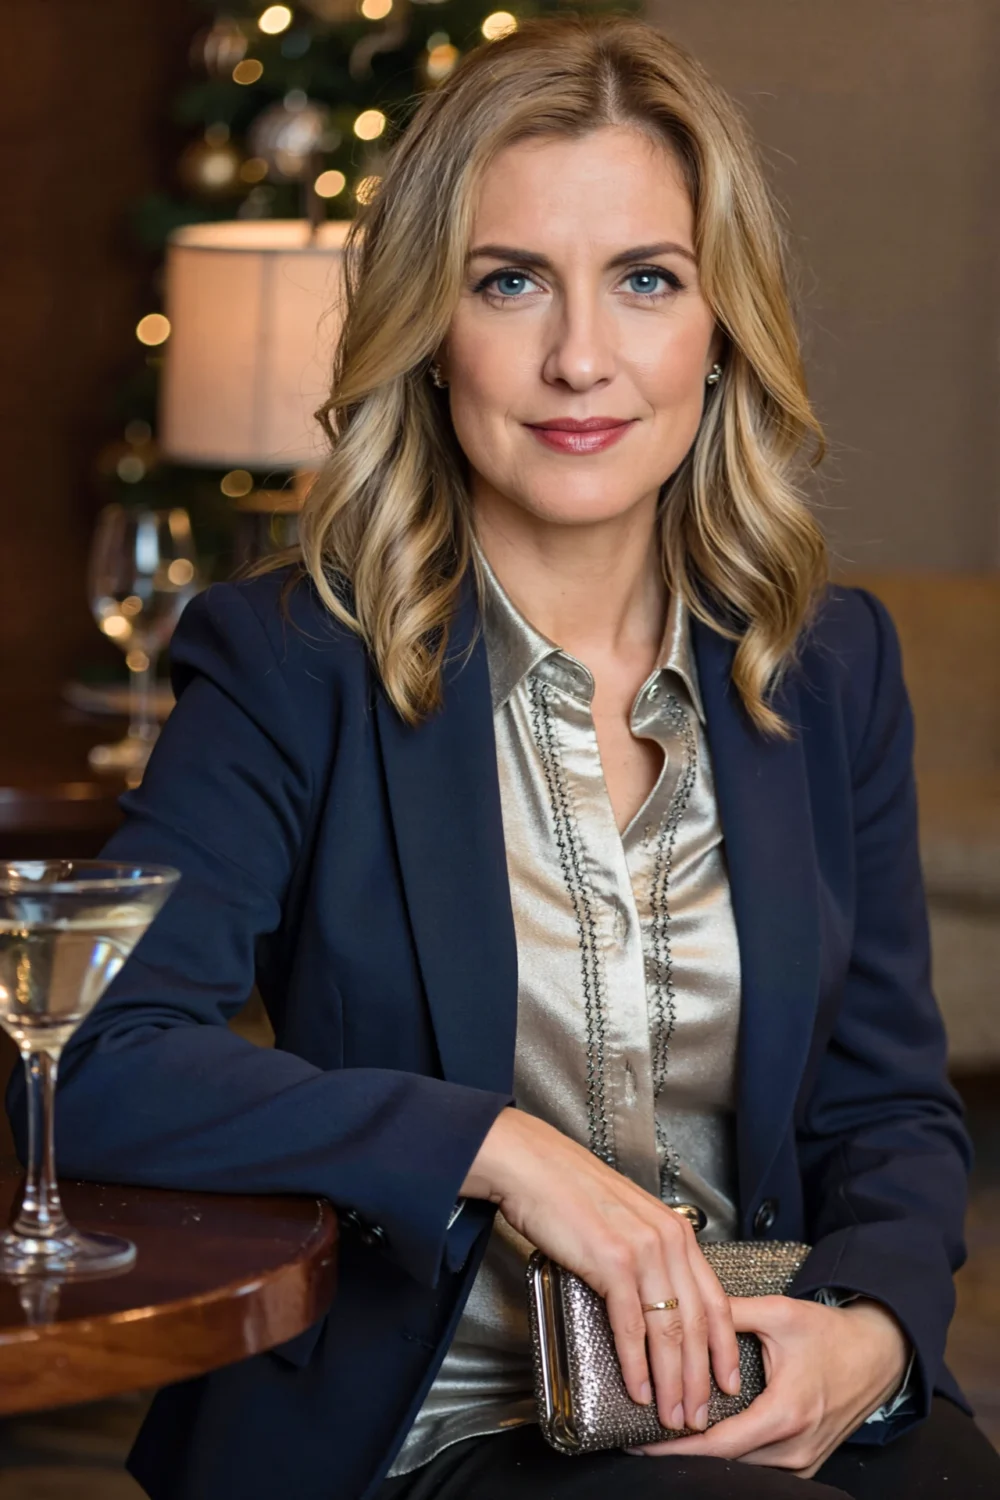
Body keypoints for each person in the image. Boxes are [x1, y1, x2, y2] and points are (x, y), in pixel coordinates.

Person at [10, 14, 998, 1500]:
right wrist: (503, 1153)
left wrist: (871, 1331)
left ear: (721, 330)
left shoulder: (827, 661)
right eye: (511, 281)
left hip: (768, 1379)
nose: (581, 358)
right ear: (432, 326)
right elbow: (91, 1061)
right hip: (435, 1419)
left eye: (647, 281)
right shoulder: (294, 660)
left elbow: (889, 1109)